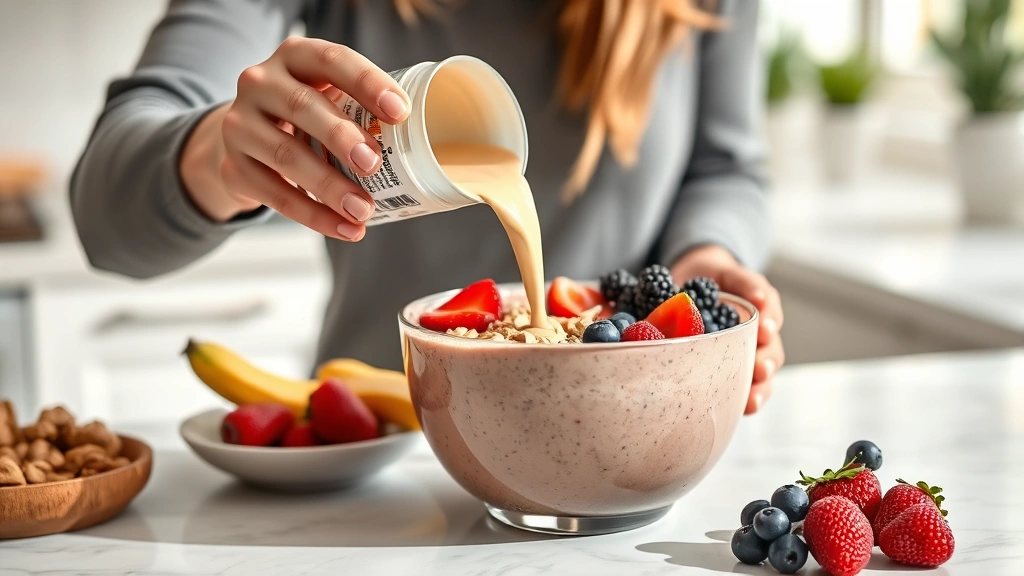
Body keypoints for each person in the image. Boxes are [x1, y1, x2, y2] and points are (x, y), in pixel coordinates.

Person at [71, 0, 784, 414]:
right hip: (384, 447)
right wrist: (219, 157)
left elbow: (724, 167)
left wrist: (708, 261)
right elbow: (105, 218)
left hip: (627, 425)